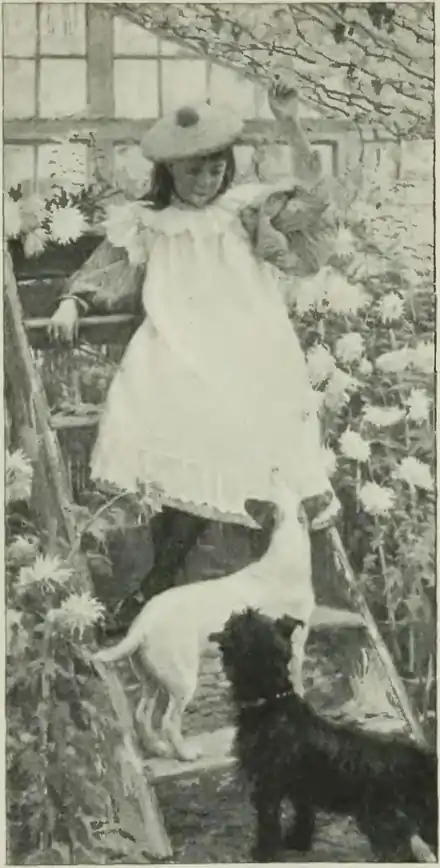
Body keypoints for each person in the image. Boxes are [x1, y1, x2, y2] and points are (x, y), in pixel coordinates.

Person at [49, 82, 339, 632]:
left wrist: (290, 123)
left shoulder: (246, 210)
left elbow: (315, 197)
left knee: (229, 439)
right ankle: (160, 590)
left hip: (248, 351)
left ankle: (168, 593)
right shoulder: (147, 221)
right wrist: (71, 302)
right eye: (192, 172)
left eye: (214, 170)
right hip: (177, 347)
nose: (205, 182)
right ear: (168, 172)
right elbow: (105, 267)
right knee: (168, 438)